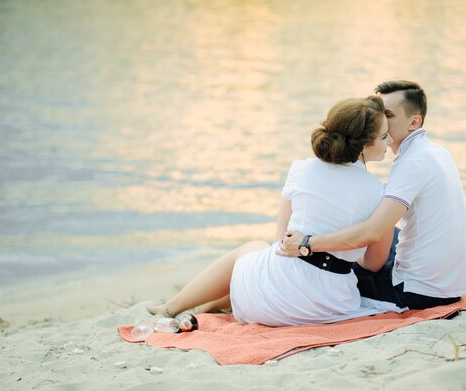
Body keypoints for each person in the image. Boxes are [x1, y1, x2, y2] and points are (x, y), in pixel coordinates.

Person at [148, 95, 395, 326]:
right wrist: (346, 250)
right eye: (384, 136)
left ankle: (172, 307)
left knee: (253, 249)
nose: (390, 141)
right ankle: (208, 306)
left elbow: (280, 239)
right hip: (327, 307)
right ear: (363, 145)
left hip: (260, 304)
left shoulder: (301, 169)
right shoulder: (380, 194)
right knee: (263, 259)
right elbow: (373, 264)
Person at [279, 80, 466, 311]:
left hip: (418, 291)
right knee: (381, 230)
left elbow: (372, 232)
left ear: (414, 121)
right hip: (451, 283)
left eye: (388, 114)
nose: (379, 119)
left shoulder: (411, 163)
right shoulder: (437, 151)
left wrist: (307, 243)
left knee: (335, 265)